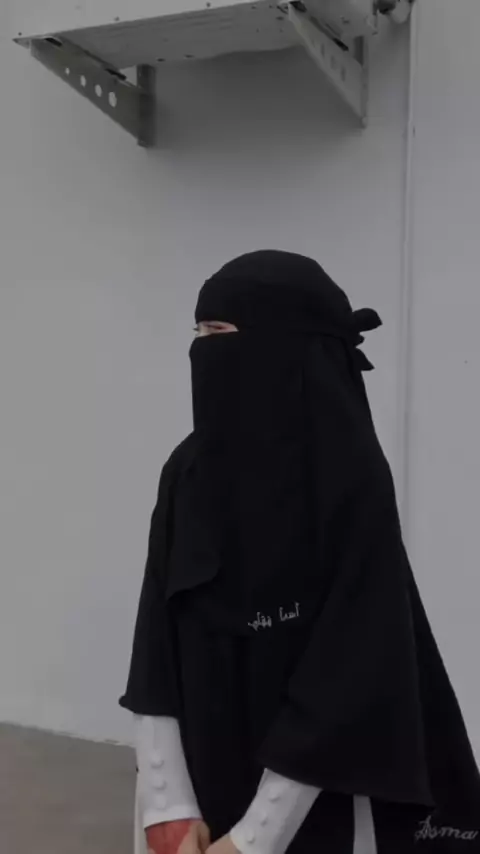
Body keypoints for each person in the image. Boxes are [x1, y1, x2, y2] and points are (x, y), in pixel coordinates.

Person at [121, 251, 480, 854]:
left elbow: (350, 669)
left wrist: (255, 838)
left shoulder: (351, 481)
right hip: (193, 788)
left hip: (317, 798)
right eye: (198, 333)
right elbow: (157, 634)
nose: (203, 352)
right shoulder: (188, 471)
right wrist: (166, 801)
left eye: (219, 333)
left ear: (280, 347)